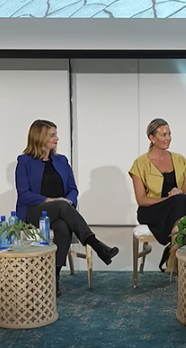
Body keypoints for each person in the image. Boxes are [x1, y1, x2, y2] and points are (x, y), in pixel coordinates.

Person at [15, 119, 119, 296]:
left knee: (63, 227)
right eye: (52, 134)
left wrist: (69, 201)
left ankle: (53, 279)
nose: (57, 138)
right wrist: (49, 200)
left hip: (61, 212)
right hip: (35, 211)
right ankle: (96, 245)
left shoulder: (61, 160)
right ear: (39, 137)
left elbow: (73, 189)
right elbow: (24, 194)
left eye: (56, 134)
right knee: (62, 206)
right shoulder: (24, 161)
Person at [129, 118, 186, 274]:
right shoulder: (140, 163)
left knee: (181, 203)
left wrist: (177, 197)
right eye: (164, 135)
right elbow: (141, 200)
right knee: (182, 208)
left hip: (177, 208)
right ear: (152, 138)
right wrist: (169, 199)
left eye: (169, 134)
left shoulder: (180, 160)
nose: (168, 138)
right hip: (151, 210)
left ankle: (173, 254)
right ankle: (175, 257)